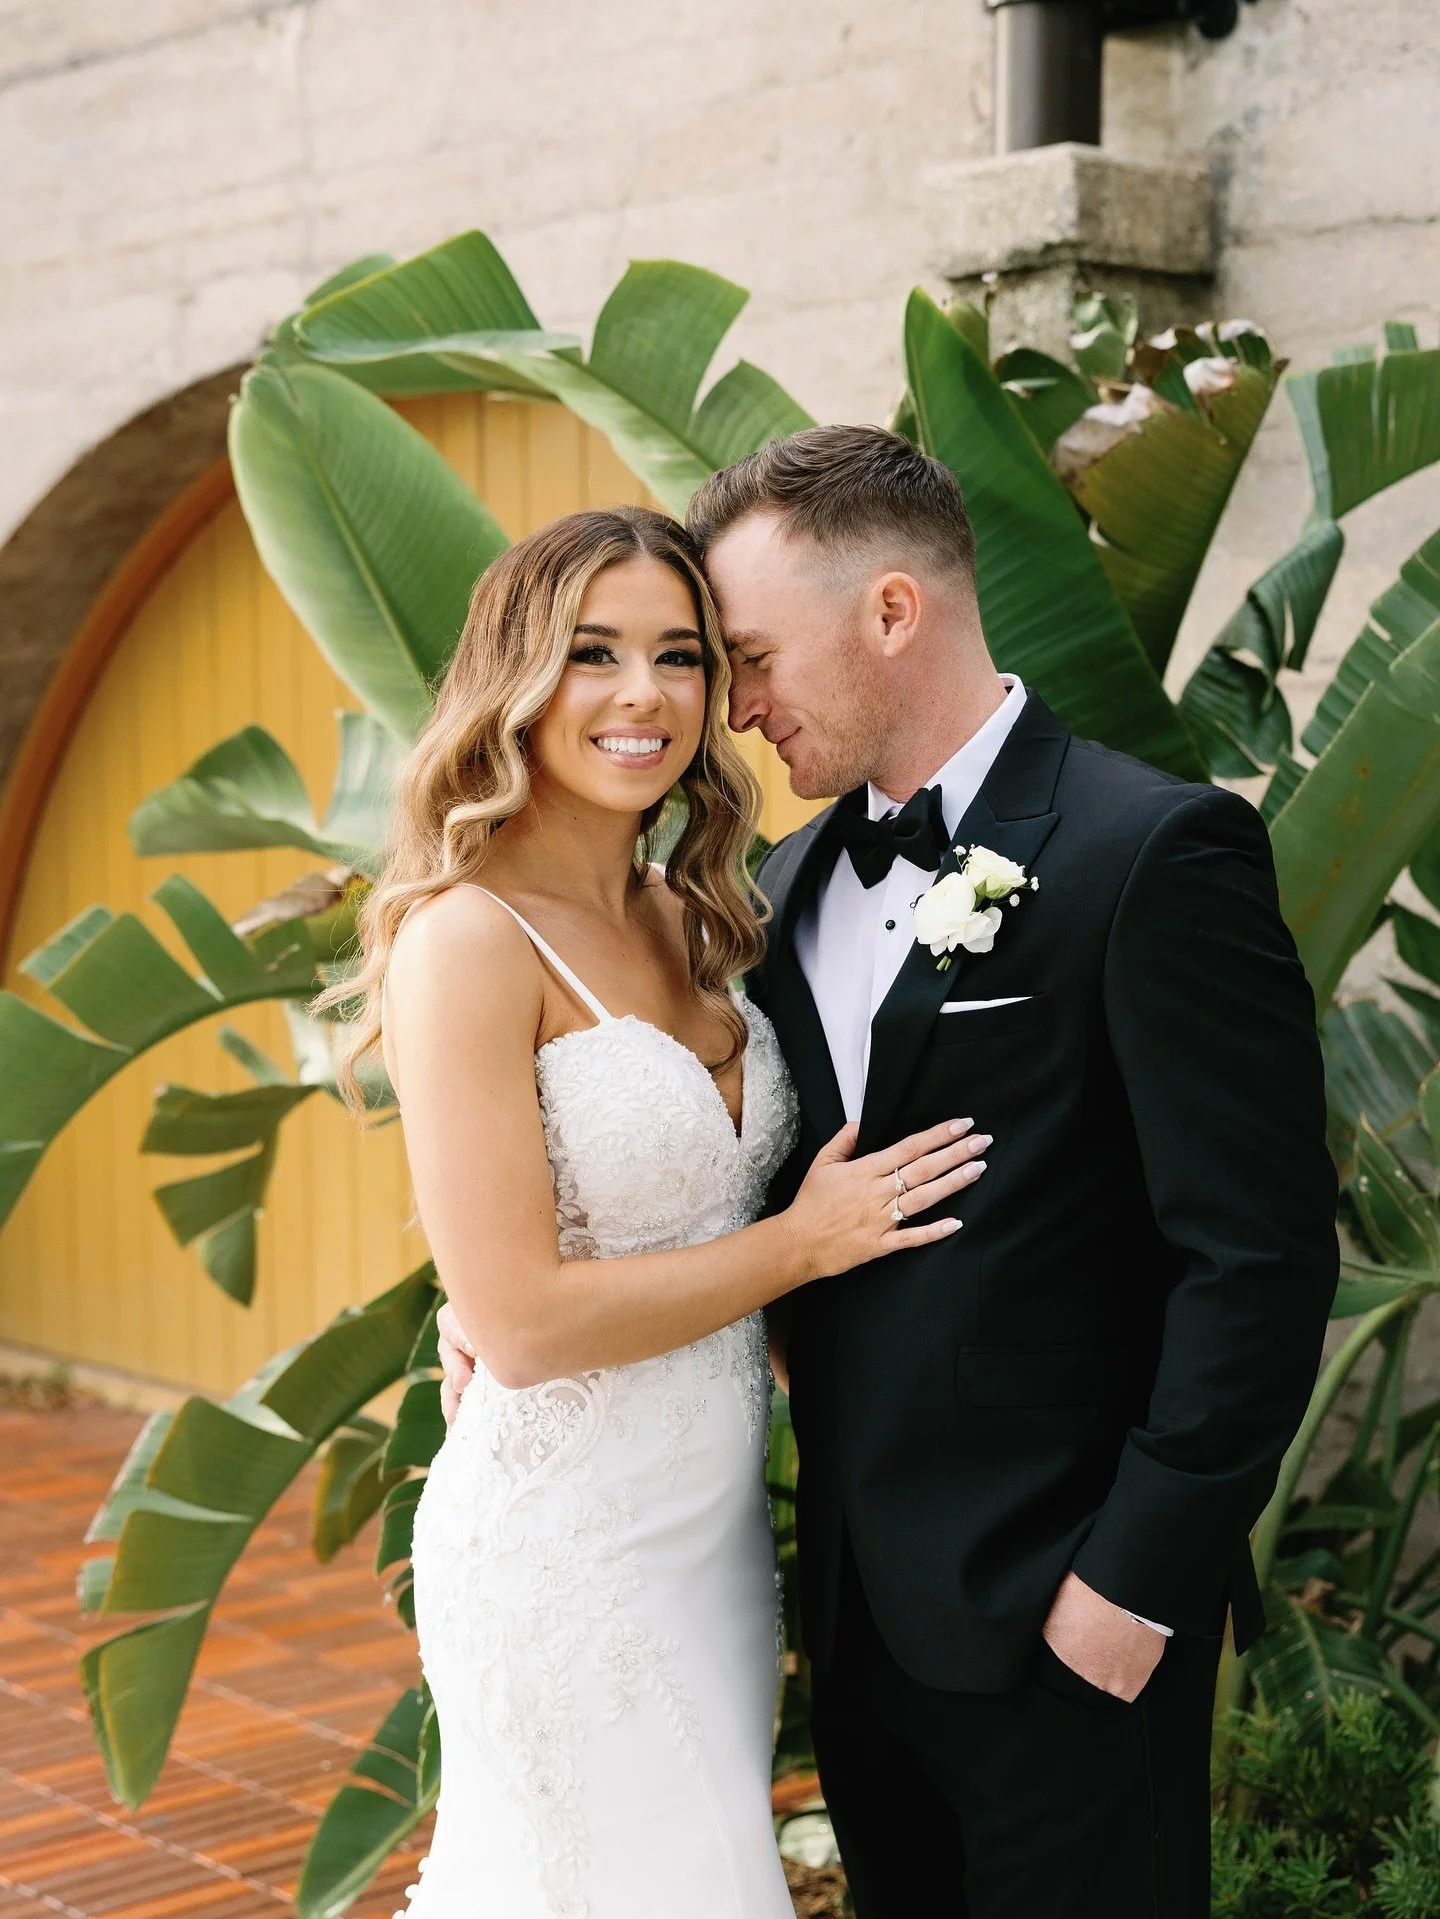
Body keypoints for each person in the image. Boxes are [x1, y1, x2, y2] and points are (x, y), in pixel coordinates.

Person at [438, 426, 1340, 1917]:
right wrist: (493, 1304)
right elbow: (684, 1164)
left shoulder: (1151, 851)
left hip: (1069, 1623)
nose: (731, 708)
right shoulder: (775, 897)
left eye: (748, 658)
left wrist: (1130, 1587)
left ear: (893, 613)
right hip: (848, 1631)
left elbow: (1258, 1255)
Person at [332, 504, 991, 1919]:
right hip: (562, 1544)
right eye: (593, 653)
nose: (646, 695)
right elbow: (514, 1323)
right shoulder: (464, 937)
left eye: (683, 656)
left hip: (711, 1541)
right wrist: (802, 1241)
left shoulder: (701, 915)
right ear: (517, 677)